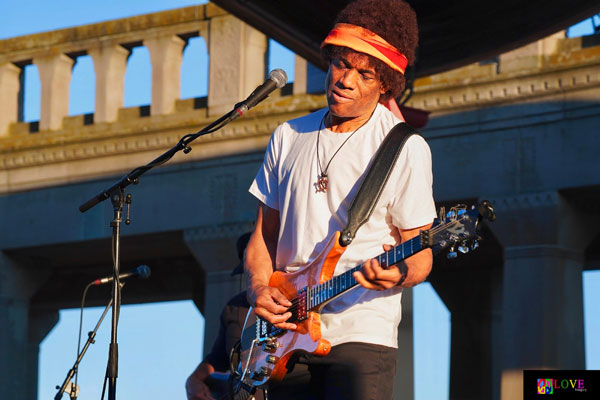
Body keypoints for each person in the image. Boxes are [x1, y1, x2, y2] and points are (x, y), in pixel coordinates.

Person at [244, 0, 436, 399]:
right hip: (285, 337)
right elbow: (263, 237)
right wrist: (260, 288)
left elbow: (421, 253)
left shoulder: (404, 147)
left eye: (364, 74)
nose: (345, 79)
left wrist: (398, 274)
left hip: (361, 334)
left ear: (385, 84)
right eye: (340, 64)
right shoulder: (287, 135)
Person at [185, 233, 266, 400]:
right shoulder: (233, 307)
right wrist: (193, 380)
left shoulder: (289, 299)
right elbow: (218, 359)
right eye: (248, 266)